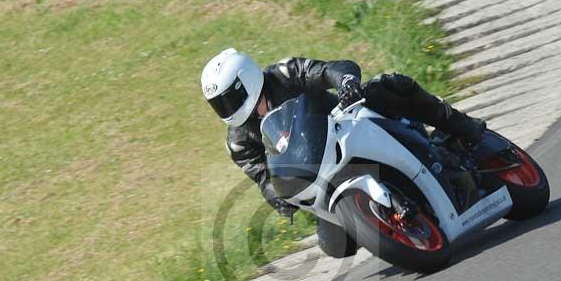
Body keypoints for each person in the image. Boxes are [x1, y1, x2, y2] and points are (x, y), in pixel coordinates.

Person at [200, 48, 486, 231]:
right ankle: (389, 225)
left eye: (229, 99)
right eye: (219, 105)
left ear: (246, 80)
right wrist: (279, 199)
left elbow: (326, 70)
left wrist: (345, 82)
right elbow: (263, 177)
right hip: (319, 178)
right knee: (334, 245)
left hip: (345, 127)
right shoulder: (238, 141)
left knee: (390, 86)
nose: (228, 109)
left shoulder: (284, 74)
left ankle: (462, 127)